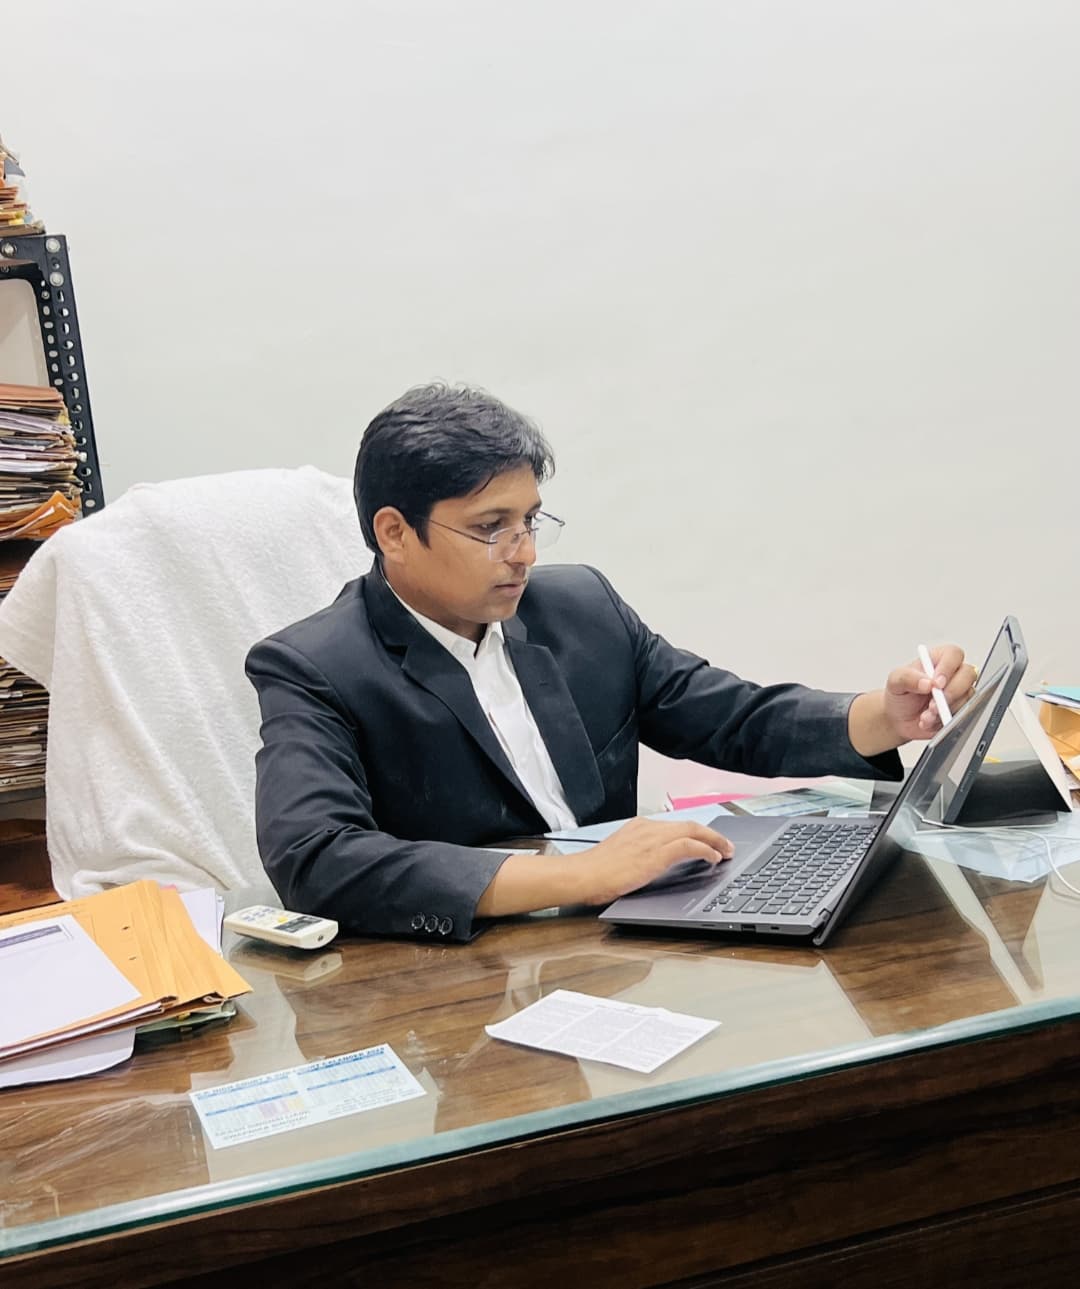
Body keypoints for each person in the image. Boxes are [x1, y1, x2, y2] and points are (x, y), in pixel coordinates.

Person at [246, 384, 975, 942]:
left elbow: (727, 716)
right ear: (394, 532)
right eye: (490, 528)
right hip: (465, 988)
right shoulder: (314, 665)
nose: (525, 551)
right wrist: (573, 875)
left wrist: (884, 716)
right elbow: (317, 858)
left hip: (631, 942)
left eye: (530, 519)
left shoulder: (578, 607)